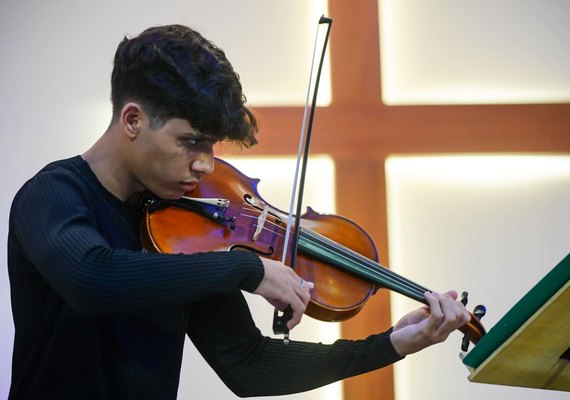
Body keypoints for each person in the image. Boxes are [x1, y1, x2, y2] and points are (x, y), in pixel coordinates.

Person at [7, 24, 471, 399]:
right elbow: (92, 279)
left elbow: (248, 367)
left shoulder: (184, 230)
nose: (205, 164)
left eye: (211, 146)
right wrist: (246, 267)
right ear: (133, 120)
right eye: (190, 142)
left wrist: (390, 345)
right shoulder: (52, 194)